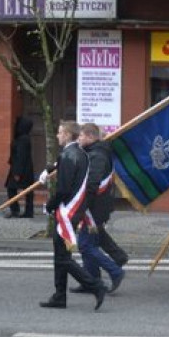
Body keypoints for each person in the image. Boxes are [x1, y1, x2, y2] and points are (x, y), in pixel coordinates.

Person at [38, 120, 107, 311]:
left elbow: (63, 189)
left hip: (67, 211)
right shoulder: (78, 153)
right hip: (73, 211)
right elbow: (62, 166)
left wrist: (49, 206)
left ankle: (95, 286)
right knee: (61, 256)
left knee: (62, 258)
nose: (58, 135)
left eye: (60, 132)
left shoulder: (70, 155)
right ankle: (59, 296)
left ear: (68, 135)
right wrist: (49, 169)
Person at [73, 123, 125, 294]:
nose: (79, 139)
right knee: (90, 243)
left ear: (90, 136)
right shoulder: (94, 153)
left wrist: (81, 207)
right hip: (95, 207)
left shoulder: (97, 156)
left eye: (81, 136)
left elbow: (92, 184)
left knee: (86, 246)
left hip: (94, 208)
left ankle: (115, 272)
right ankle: (92, 281)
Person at [5, 115, 35, 218]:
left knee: (11, 188)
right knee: (28, 190)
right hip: (24, 168)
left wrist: (17, 172)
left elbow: (20, 156)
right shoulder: (23, 137)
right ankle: (28, 211)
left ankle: (16, 210)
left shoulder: (23, 139)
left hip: (21, 169)